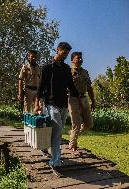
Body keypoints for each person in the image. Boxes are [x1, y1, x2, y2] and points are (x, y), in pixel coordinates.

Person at [34, 42, 79, 172]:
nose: (65, 55)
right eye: (64, 52)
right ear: (58, 50)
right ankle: (55, 161)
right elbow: (40, 87)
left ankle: (44, 148)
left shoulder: (66, 69)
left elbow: (71, 86)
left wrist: (80, 102)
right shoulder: (47, 67)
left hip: (63, 103)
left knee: (55, 131)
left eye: (67, 54)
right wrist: (37, 103)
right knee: (58, 131)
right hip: (50, 103)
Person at [18, 50, 49, 157]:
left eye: (35, 57)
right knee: (27, 112)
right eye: (31, 57)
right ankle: (27, 134)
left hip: (38, 91)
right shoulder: (25, 67)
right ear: (28, 57)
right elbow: (20, 80)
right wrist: (20, 93)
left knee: (40, 110)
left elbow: (42, 80)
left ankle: (38, 133)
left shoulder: (39, 68)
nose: (33, 58)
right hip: (28, 90)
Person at [68, 52, 96, 154]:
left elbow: (89, 88)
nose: (80, 60)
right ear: (72, 60)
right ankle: (72, 146)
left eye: (81, 58)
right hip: (73, 99)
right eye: (77, 58)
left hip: (84, 98)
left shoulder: (85, 72)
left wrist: (93, 101)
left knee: (89, 124)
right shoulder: (68, 72)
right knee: (76, 123)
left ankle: (72, 134)